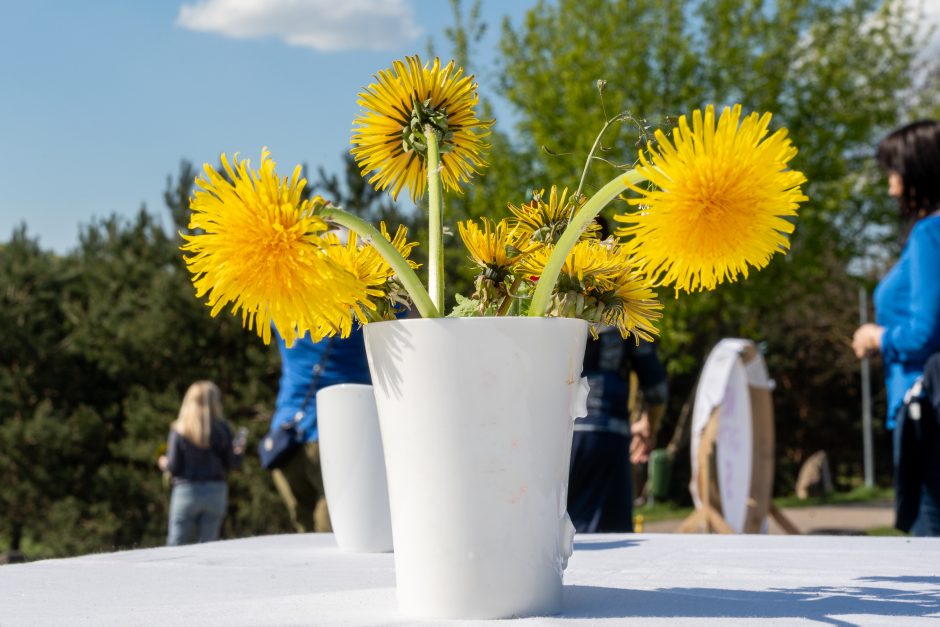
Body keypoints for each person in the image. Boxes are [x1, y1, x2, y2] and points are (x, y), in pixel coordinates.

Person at [852, 119, 940, 536]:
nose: (890, 186)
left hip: (927, 413)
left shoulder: (930, 234)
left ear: (919, 172)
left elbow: (925, 332)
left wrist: (877, 336)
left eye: (894, 172)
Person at [267, 325, 371, 533]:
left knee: (305, 534)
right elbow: (412, 320)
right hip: (342, 433)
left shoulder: (282, 309)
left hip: (286, 436)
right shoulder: (355, 311)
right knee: (338, 532)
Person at [567, 330, 668, 533]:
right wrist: (649, 427)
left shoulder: (554, 312)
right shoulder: (626, 320)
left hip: (559, 432)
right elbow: (657, 390)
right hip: (607, 433)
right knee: (610, 530)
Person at [158, 381, 245, 545]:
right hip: (216, 491)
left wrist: (162, 461)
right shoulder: (223, 429)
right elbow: (233, 464)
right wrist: (239, 451)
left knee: (176, 545)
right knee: (208, 547)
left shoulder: (179, 430)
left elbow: (174, 466)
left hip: (186, 491)